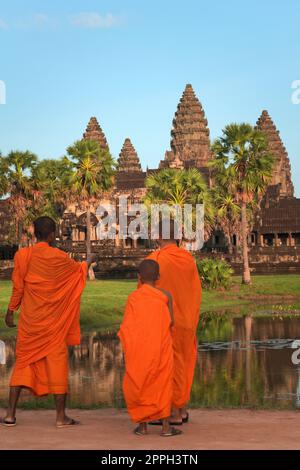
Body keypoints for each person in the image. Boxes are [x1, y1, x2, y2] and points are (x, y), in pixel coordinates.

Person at [1, 216, 95, 428]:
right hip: (54, 323)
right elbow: (78, 272)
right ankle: (61, 417)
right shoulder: (60, 257)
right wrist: (89, 261)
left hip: (30, 322)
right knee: (58, 365)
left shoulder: (22, 255)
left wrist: (10, 312)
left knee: (23, 363)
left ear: (35, 234)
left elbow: (18, 288)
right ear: (52, 235)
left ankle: (10, 414)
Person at [147, 220, 202, 425]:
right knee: (183, 364)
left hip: (165, 323)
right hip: (186, 321)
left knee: (167, 366)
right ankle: (183, 409)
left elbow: (146, 293)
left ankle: (173, 413)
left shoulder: (154, 260)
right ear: (178, 237)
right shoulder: (188, 260)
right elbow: (194, 291)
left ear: (157, 237)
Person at [118, 260, 182, 437]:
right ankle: (166, 428)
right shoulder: (165, 296)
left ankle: (143, 426)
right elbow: (171, 321)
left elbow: (127, 327)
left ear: (139, 277)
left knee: (140, 382)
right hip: (161, 347)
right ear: (159, 277)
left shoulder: (133, 297)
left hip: (139, 350)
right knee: (162, 384)